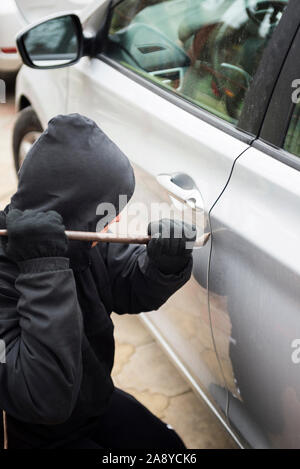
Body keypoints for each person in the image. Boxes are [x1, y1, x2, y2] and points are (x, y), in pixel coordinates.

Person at [0, 114, 195, 449]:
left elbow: (129, 286)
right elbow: (43, 395)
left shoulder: (84, 245)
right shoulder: (11, 268)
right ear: (72, 212)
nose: (117, 221)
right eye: (105, 214)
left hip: (95, 401)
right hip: (43, 432)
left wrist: (165, 262)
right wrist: (45, 269)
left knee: (169, 448)